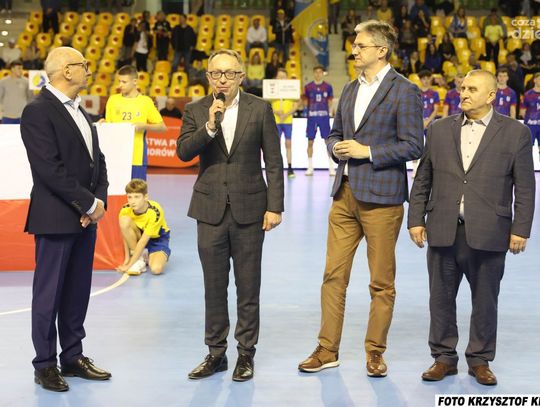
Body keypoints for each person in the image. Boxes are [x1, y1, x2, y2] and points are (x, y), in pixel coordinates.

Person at [298, 20, 423, 377]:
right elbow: (335, 133)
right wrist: (335, 148)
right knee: (332, 276)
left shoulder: (405, 91)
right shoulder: (350, 88)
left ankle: (375, 352)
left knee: (381, 282)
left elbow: (414, 145)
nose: (353, 50)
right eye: (354, 45)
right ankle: (327, 349)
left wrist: (366, 151)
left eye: (360, 45)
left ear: (381, 50)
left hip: (382, 201)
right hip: (344, 195)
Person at [408, 69, 535, 386]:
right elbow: (423, 178)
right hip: (442, 228)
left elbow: (525, 187)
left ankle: (480, 360)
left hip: (491, 230)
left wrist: (520, 229)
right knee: (440, 299)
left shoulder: (516, 133)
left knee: (485, 301)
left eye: (472, 89)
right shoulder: (438, 129)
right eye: (463, 87)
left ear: (491, 95)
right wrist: (416, 219)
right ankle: (443, 358)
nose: (464, 93)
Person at [177, 49, 284, 382]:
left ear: (241, 76)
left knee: (248, 287)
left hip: (250, 210)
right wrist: (209, 127)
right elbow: (183, 152)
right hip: (209, 210)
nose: (222, 79)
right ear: (208, 77)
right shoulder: (196, 110)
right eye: (215, 73)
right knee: (213, 287)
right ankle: (216, 353)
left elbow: (274, 161)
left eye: (229, 73)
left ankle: (246, 353)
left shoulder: (260, 109)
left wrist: (275, 206)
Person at [20, 46, 111, 393]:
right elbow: (48, 169)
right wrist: (87, 204)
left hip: (85, 218)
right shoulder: (37, 111)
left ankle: (72, 356)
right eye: (83, 64)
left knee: (76, 292)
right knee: (49, 295)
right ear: (66, 71)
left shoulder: (80, 110)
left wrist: (98, 201)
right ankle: (45, 364)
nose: (89, 69)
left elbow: (97, 160)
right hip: (56, 218)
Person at [104, 65, 166, 180]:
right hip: (116, 157)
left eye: (124, 82)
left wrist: (145, 126)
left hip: (136, 157)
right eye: (119, 81)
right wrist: (103, 124)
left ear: (135, 81)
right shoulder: (112, 100)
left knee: (137, 190)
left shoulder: (145, 102)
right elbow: (109, 128)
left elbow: (162, 127)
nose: (120, 85)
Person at [117, 179, 170, 276]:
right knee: (124, 220)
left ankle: (145, 255)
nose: (132, 201)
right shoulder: (125, 209)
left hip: (157, 239)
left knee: (156, 269)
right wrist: (127, 259)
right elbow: (125, 235)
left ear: (145, 197)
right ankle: (140, 259)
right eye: (129, 197)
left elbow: (143, 241)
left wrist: (129, 266)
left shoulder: (155, 211)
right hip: (138, 237)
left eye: (137, 197)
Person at [303, 65, 334, 176]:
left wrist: (330, 111)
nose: (318, 74)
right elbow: (305, 101)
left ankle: (331, 167)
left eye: (320, 72)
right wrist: (306, 111)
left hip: (324, 117)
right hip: (312, 117)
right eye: (316, 72)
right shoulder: (308, 87)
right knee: (310, 142)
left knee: (327, 141)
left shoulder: (328, 87)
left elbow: (330, 101)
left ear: (322, 73)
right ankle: (310, 167)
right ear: (313, 73)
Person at [271, 68, 299, 178]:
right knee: (275, 145)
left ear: (287, 78)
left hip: (287, 121)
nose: (281, 79)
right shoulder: (271, 89)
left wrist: (286, 114)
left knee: (288, 144)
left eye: (283, 77)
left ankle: (290, 168)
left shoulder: (291, 90)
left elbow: (296, 106)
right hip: (275, 121)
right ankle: (277, 168)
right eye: (279, 77)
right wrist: (276, 112)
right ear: (276, 78)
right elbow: (266, 104)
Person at [520, 71, 540, 162]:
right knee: (527, 150)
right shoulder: (528, 94)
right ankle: (527, 169)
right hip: (530, 126)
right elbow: (522, 112)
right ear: (535, 80)